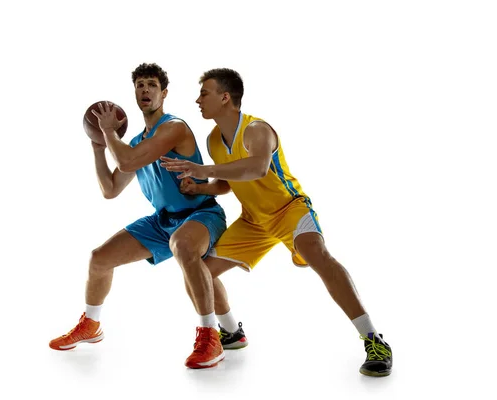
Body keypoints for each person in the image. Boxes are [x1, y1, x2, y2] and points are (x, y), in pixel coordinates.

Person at [160, 68, 393, 377]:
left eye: (204, 93)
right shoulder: (214, 139)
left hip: (288, 209)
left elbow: (256, 167)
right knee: (199, 271)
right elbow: (231, 181)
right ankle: (231, 332)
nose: (197, 100)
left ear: (225, 97)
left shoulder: (256, 129)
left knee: (317, 255)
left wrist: (203, 170)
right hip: (253, 221)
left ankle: (373, 338)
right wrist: (200, 186)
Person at [49, 63, 229, 369]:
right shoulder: (134, 142)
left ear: (164, 93)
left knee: (183, 246)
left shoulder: (175, 128)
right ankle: (91, 325)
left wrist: (107, 132)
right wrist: (98, 147)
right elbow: (110, 189)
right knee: (99, 258)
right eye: (140, 85)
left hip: (201, 212)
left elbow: (129, 160)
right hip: (163, 220)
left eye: (152, 85)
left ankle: (210, 335)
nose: (145, 90)